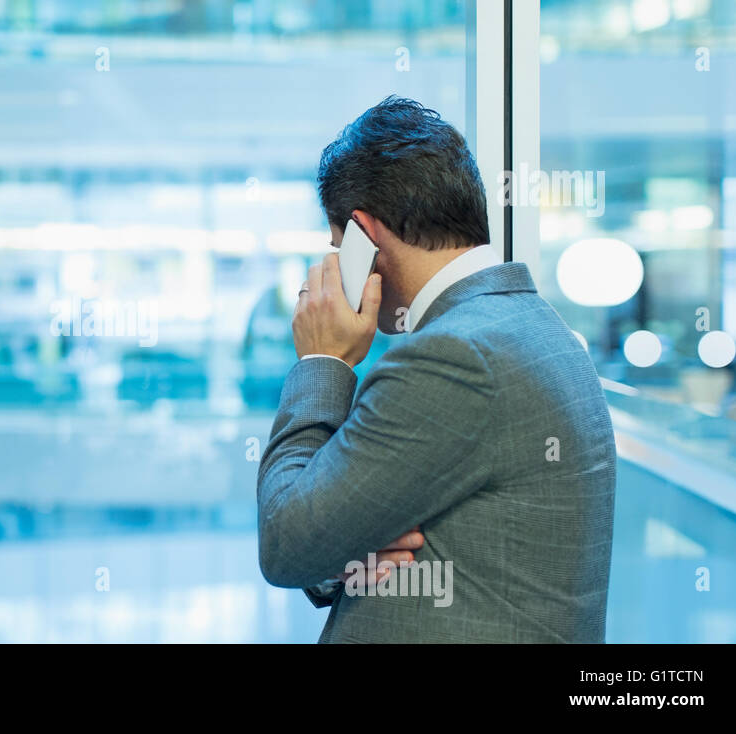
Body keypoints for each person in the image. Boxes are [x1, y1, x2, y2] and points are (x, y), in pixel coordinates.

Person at [257, 96, 616, 643]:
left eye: (338, 248)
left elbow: (287, 543)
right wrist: (342, 547)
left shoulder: (450, 357)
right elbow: (334, 534)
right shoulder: (536, 328)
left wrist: (321, 361)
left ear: (364, 237)